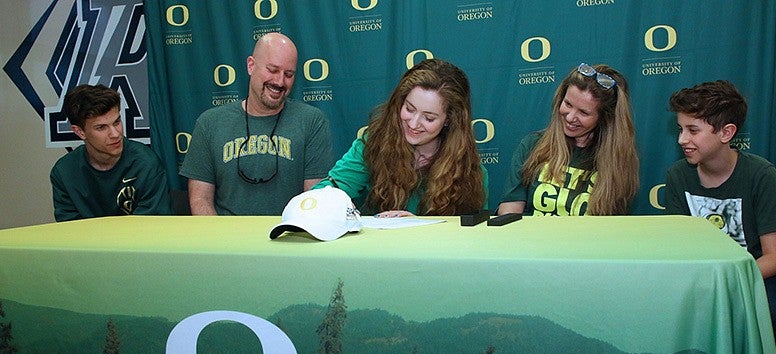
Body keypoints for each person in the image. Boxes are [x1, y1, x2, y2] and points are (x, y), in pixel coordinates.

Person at [664, 80, 776, 354]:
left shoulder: (760, 174)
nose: (682, 139)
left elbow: (775, 257)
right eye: (680, 129)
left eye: (693, 130)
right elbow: (678, 248)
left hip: (757, 274)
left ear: (727, 133)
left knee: (774, 307)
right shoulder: (677, 176)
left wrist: (727, 278)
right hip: (701, 274)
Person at [180, 32, 334, 215]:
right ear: (251, 65)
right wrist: (219, 240)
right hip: (227, 239)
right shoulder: (210, 123)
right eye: (272, 70)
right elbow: (200, 199)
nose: (279, 81)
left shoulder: (312, 121)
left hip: (288, 237)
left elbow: (313, 200)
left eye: (289, 74)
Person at [314, 58, 487, 216]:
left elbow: (474, 234)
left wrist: (419, 227)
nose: (413, 124)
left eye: (429, 118)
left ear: (449, 119)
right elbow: (328, 191)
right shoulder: (373, 143)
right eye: (409, 109)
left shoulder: (469, 170)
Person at [497, 63, 639, 216]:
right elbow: (509, 212)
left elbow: (613, 230)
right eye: (568, 104)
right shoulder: (532, 145)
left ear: (605, 118)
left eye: (584, 113)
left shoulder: (618, 163)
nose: (570, 117)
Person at [50, 84, 172, 221]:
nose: (115, 134)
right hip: (87, 242)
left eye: (117, 122)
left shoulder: (146, 164)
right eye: (101, 127)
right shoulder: (64, 172)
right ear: (80, 131)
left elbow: (151, 228)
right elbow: (68, 231)